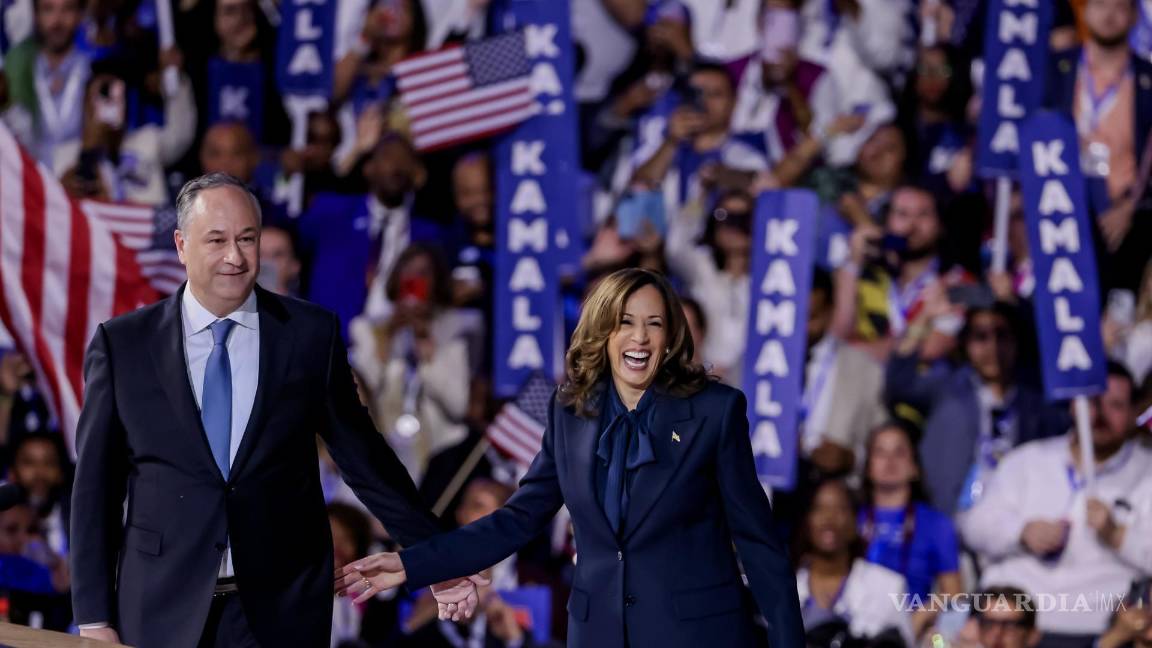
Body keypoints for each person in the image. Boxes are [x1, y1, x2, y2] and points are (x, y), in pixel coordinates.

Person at [69, 173, 481, 647]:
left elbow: (367, 463)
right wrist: (94, 617)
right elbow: (95, 490)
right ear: (182, 246)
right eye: (217, 240)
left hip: (280, 609)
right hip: (160, 606)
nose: (235, 256)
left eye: (247, 239)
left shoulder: (308, 335)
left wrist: (438, 561)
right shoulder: (124, 345)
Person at [338, 268, 804, 647]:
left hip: (698, 634)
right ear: (602, 331)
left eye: (654, 323)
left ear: (671, 336)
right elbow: (517, 519)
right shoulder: (570, 412)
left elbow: (759, 543)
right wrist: (414, 563)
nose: (639, 338)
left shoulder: (715, 411)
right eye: (624, 321)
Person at [960, 363, 1152, 644]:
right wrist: (1020, 532)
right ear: (1075, 406)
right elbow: (972, 527)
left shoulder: (1147, 472)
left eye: (1116, 405)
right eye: (1092, 404)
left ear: (1135, 412)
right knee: (939, 640)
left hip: (1099, 628)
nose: (1100, 416)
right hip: (1009, 622)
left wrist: (1118, 535)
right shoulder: (1028, 459)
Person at [887, 303, 1068, 514]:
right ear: (965, 343)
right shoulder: (948, 386)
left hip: (1014, 522)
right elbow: (899, 384)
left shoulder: (1034, 401)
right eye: (981, 336)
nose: (992, 347)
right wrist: (922, 319)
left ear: (1016, 342)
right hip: (951, 518)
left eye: (1002, 336)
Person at [858, 422, 961, 636]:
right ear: (868, 467)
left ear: (915, 467)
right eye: (880, 452)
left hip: (912, 631)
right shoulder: (850, 518)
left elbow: (954, 594)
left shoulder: (936, 524)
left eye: (900, 452)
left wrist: (918, 619)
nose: (890, 461)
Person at [793, 478, 914, 645]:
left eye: (840, 509)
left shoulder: (889, 587)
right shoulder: (780, 587)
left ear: (855, 521)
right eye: (819, 509)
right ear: (806, 521)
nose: (829, 519)